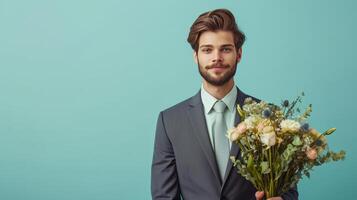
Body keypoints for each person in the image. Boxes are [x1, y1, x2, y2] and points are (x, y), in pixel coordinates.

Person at [151, 8, 298, 200]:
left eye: (226, 49)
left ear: (239, 54)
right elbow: (164, 196)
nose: (216, 58)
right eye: (207, 50)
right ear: (196, 56)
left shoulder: (269, 116)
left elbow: (288, 192)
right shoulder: (169, 121)